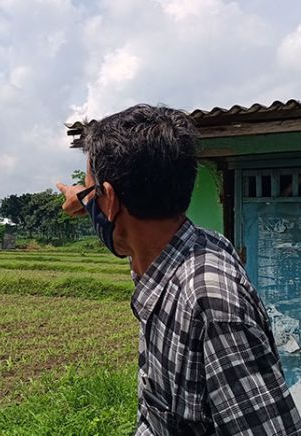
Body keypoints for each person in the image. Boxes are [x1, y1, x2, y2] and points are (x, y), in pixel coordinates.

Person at [56, 104, 301, 435]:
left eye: (90, 192)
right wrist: (85, 198)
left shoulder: (210, 302)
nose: (88, 202)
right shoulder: (189, 249)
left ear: (110, 200)